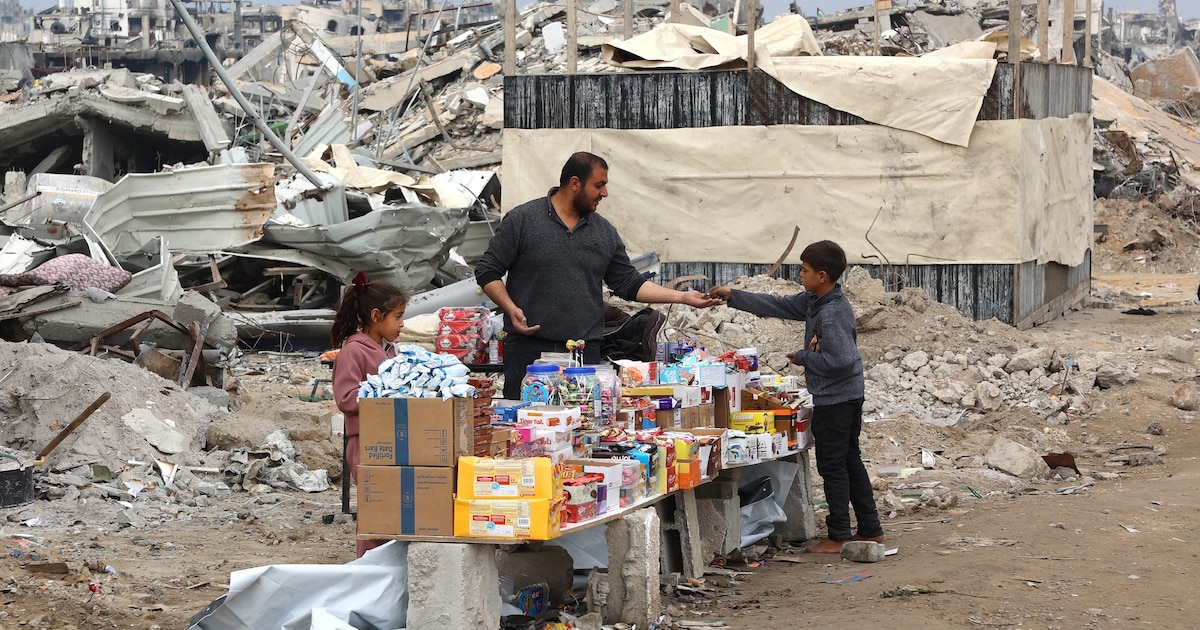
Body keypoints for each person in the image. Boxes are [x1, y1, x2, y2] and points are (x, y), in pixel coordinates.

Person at [475, 151, 722, 400]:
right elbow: (487, 270)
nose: (605, 193)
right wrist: (510, 308)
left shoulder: (604, 232)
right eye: (599, 185)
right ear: (574, 184)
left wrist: (682, 297)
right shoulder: (523, 220)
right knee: (527, 428)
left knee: (584, 431)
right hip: (530, 354)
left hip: (583, 356)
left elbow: (628, 283)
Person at [707, 240, 884, 554]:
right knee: (849, 460)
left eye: (805, 270)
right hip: (847, 396)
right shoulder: (818, 301)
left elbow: (842, 360)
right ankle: (870, 529)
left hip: (837, 400)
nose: (800, 274)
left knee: (833, 466)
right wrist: (734, 297)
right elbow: (778, 305)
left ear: (822, 276)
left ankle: (839, 534)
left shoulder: (829, 315)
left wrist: (804, 357)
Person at [330, 272, 408, 558]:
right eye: (397, 317)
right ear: (376, 316)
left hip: (390, 440)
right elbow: (346, 398)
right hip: (365, 443)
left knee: (389, 507)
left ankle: (387, 565)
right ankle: (368, 567)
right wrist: (384, 393)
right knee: (374, 508)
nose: (401, 324)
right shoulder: (354, 352)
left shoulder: (389, 350)